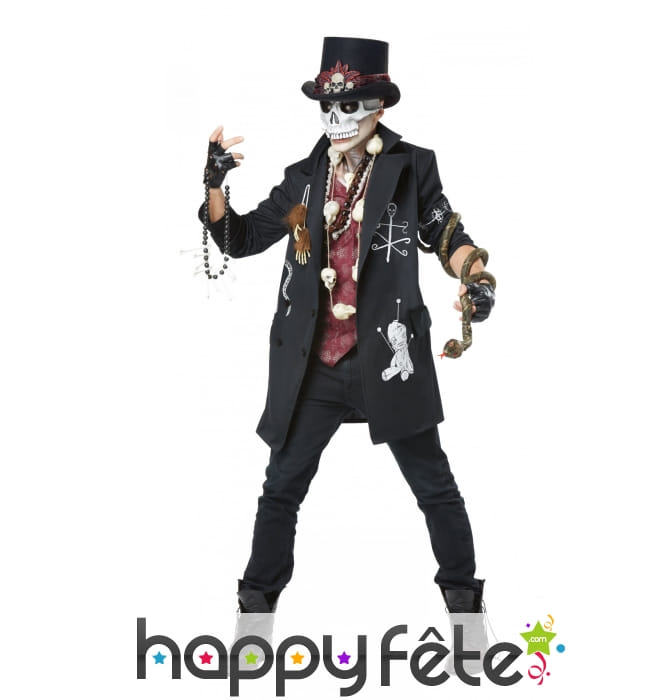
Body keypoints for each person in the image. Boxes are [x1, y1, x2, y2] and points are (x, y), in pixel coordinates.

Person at [199, 37, 496, 622]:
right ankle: (255, 610)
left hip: (390, 358)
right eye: (327, 106)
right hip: (316, 363)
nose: (336, 117)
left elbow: (448, 237)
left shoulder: (411, 168)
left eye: (350, 105)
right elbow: (240, 239)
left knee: (434, 486)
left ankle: (465, 608)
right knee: (281, 488)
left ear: (378, 107)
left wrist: (478, 279)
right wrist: (214, 185)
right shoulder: (304, 180)